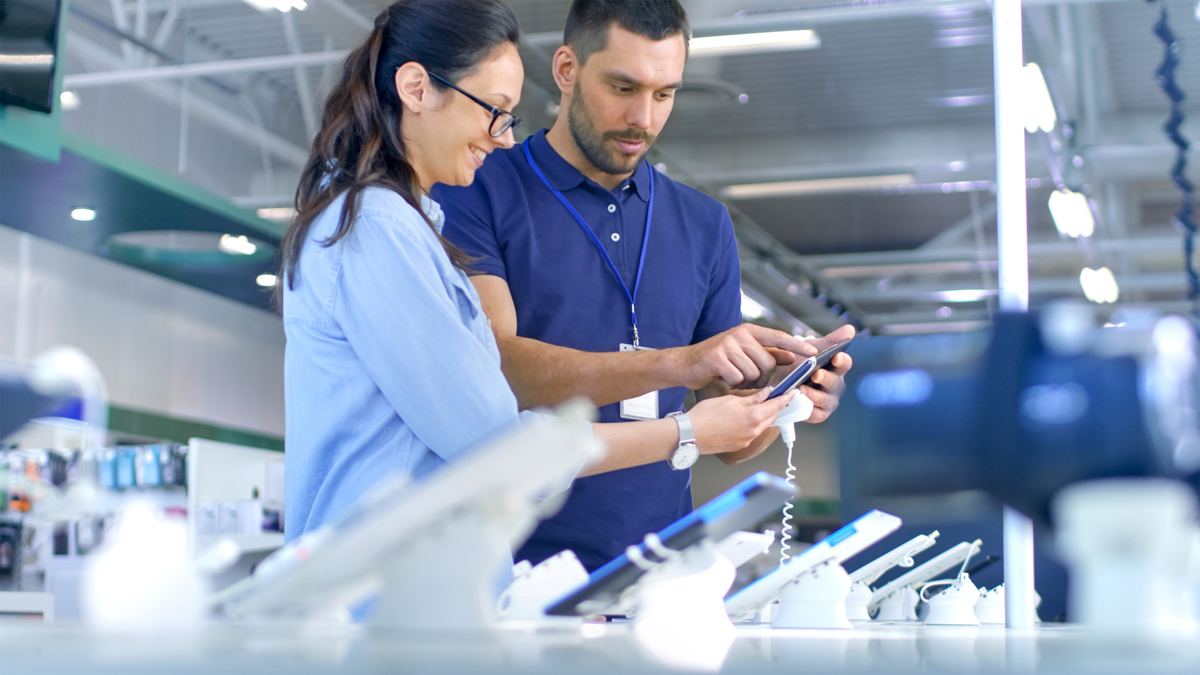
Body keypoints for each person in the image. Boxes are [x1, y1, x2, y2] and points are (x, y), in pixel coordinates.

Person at [277, 0, 797, 544]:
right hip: (397, 588)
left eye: (664, 94)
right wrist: (682, 425)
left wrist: (779, 396)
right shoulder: (380, 229)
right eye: (493, 109)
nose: (503, 136)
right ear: (416, 89)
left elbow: (488, 425)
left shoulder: (405, 227)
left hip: (442, 582)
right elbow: (496, 441)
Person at [434, 0, 855, 571]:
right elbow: (497, 368)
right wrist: (676, 364)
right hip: (510, 569)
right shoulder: (478, 185)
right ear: (565, 70)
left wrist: (781, 401)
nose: (644, 118)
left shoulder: (704, 225)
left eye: (665, 94)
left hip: (655, 575)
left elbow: (724, 437)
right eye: (623, 86)